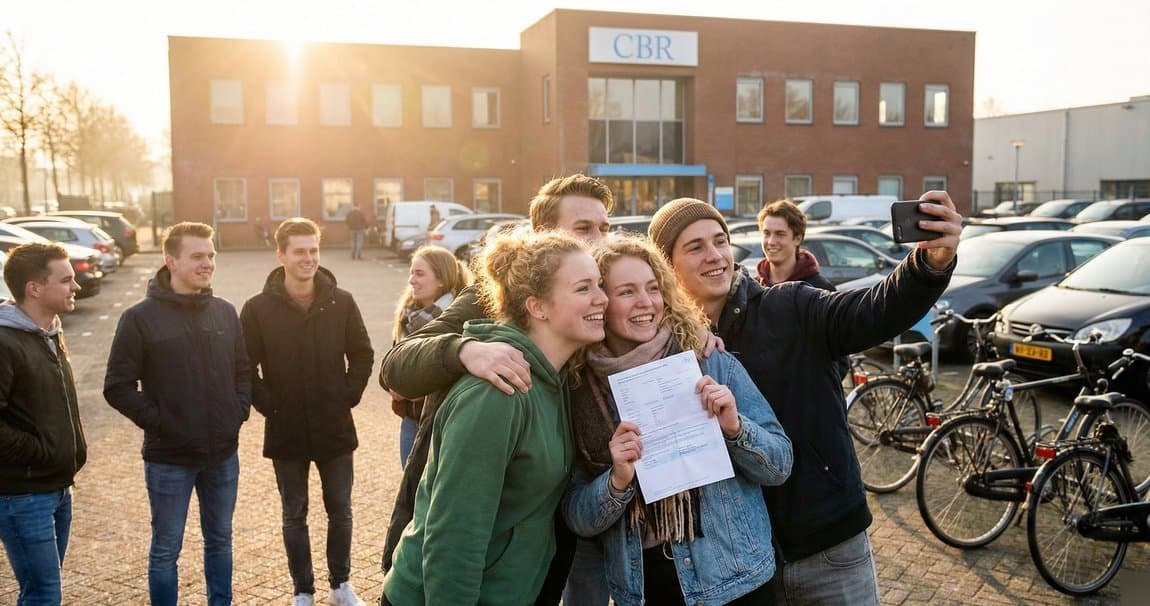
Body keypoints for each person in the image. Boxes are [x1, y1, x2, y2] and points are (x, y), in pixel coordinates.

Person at [647, 195, 961, 605]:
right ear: (666, 266)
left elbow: (872, 310)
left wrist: (928, 266)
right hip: (746, 566)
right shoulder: (662, 352)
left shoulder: (790, 305)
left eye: (720, 241)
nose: (715, 256)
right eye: (695, 247)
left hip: (828, 550)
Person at [378, 174, 617, 606]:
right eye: (584, 230)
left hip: (524, 580)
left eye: (605, 226)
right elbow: (455, 539)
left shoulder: (557, 368)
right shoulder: (499, 384)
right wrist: (463, 348)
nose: (600, 239)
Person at [564, 235, 792, 605]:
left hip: (737, 581)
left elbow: (780, 465)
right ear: (601, 303)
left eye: (653, 288)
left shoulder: (709, 362)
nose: (645, 303)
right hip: (647, 588)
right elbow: (578, 516)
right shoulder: (580, 392)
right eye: (626, 292)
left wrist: (735, 428)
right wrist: (618, 480)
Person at [104, 222, 251, 606]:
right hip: (169, 458)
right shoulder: (140, 318)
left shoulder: (224, 312)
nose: (208, 263)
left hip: (222, 454)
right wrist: (164, 423)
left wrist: (237, 412)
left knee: (220, 540)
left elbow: (243, 371)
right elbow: (117, 387)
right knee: (166, 549)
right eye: (198, 256)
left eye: (211, 255)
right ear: (171, 261)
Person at [239, 218, 375, 606]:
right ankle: (303, 591)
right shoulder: (257, 308)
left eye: (314, 249)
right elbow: (244, 368)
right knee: (294, 514)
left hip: (334, 426)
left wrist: (346, 395)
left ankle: (340, 585)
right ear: (280, 254)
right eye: (299, 251)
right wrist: (272, 407)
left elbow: (362, 354)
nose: (308, 258)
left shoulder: (341, 301)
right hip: (287, 430)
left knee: (340, 510)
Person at [0, 243, 86, 606]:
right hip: (24, 493)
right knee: (44, 594)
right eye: (66, 280)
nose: (76, 286)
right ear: (34, 288)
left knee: (41, 590)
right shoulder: (5, 342)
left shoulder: (50, 332)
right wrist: (42, 453)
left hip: (56, 485)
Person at [389, 246, 471, 468]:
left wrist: (420, 388)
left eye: (419, 273)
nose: (411, 280)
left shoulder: (460, 318)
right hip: (411, 420)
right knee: (410, 495)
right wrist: (394, 382)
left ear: (441, 280)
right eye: (411, 272)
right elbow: (395, 360)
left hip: (443, 423)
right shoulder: (407, 314)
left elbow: (459, 373)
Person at [755, 199, 834, 290]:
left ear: (798, 239)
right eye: (766, 233)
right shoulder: (753, 289)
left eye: (780, 234)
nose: (771, 242)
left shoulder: (819, 289)